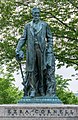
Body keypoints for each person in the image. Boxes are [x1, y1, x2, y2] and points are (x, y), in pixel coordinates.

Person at [16, 7, 56, 97]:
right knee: (31, 70)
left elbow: (50, 38)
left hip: (41, 50)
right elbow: (23, 38)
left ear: (39, 14)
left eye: (38, 13)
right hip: (31, 51)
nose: (36, 15)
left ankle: (41, 88)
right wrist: (17, 49)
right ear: (32, 15)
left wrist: (50, 48)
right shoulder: (27, 26)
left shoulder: (44, 25)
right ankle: (33, 90)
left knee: (42, 70)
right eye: (35, 14)